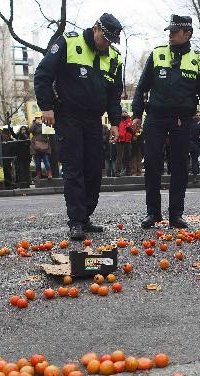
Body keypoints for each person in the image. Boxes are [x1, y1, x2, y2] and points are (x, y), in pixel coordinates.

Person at [34, 13, 123, 240]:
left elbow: (114, 94)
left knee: (94, 169)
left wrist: (115, 122)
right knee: (74, 169)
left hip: (94, 120)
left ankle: (85, 217)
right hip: (68, 117)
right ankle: (75, 221)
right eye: (105, 38)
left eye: (112, 41)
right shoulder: (69, 41)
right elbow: (43, 73)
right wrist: (46, 106)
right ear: (95, 28)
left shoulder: (114, 57)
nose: (107, 44)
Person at [131, 14, 200, 229]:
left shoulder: (199, 59)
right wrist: (137, 114)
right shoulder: (157, 54)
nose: (170, 35)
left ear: (187, 34)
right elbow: (142, 87)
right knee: (151, 163)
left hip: (182, 120)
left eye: (175, 32)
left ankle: (176, 214)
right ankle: (153, 213)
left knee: (179, 167)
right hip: (155, 118)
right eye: (169, 31)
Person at [29, 113, 52, 181]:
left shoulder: (45, 124)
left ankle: (49, 174)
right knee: (37, 162)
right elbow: (30, 130)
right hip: (36, 146)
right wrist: (36, 123)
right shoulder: (34, 125)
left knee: (46, 160)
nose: (38, 119)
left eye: (39, 117)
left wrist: (43, 124)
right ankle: (38, 175)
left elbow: (50, 131)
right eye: (37, 118)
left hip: (44, 145)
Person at [116, 109, 134, 176]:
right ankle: (117, 172)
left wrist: (130, 130)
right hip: (120, 140)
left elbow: (134, 131)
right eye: (123, 112)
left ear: (127, 113)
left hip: (128, 141)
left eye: (125, 112)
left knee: (128, 157)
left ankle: (128, 172)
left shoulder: (130, 121)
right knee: (119, 157)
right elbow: (115, 130)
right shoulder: (117, 121)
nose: (124, 113)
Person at [189, 111, 200, 177]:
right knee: (195, 160)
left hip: (188, 144)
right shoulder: (199, 126)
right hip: (196, 144)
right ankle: (195, 176)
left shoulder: (188, 125)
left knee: (186, 159)